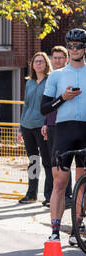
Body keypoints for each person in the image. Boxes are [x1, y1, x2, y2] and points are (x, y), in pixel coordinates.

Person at [41, 28, 86, 243]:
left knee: (83, 183)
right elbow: (44, 108)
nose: (74, 49)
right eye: (70, 46)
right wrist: (63, 97)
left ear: (84, 48)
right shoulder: (57, 75)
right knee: (59, 183)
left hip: (85, 130)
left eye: (78, 46)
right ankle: (55, 231)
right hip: (64, 130)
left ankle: (78, 228)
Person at [19, 52, 53, 205]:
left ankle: (49, 195)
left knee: (47, 160)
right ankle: (31, 194)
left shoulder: (50, 81)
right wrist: (20, 127)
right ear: (32, 65)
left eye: (41, 61)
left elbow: (50, 106)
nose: (38, 64)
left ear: (46, 64)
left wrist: (47, 123)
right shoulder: (29, 82)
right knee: (33, 161)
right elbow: (26, 105)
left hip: (42, 126)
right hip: (27, 125)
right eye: (36, 61)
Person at [42, 45, 71, 206]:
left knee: (65, 160)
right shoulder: (52, 78)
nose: (57, 61)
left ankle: (68, 196)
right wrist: (45, 123)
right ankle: (55, 196)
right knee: (54, 161)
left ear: (66, 59)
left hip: (66, 124)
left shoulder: (69, 76)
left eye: (60, 58)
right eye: (55, 58)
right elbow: (47, 105)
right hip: (52, 124)